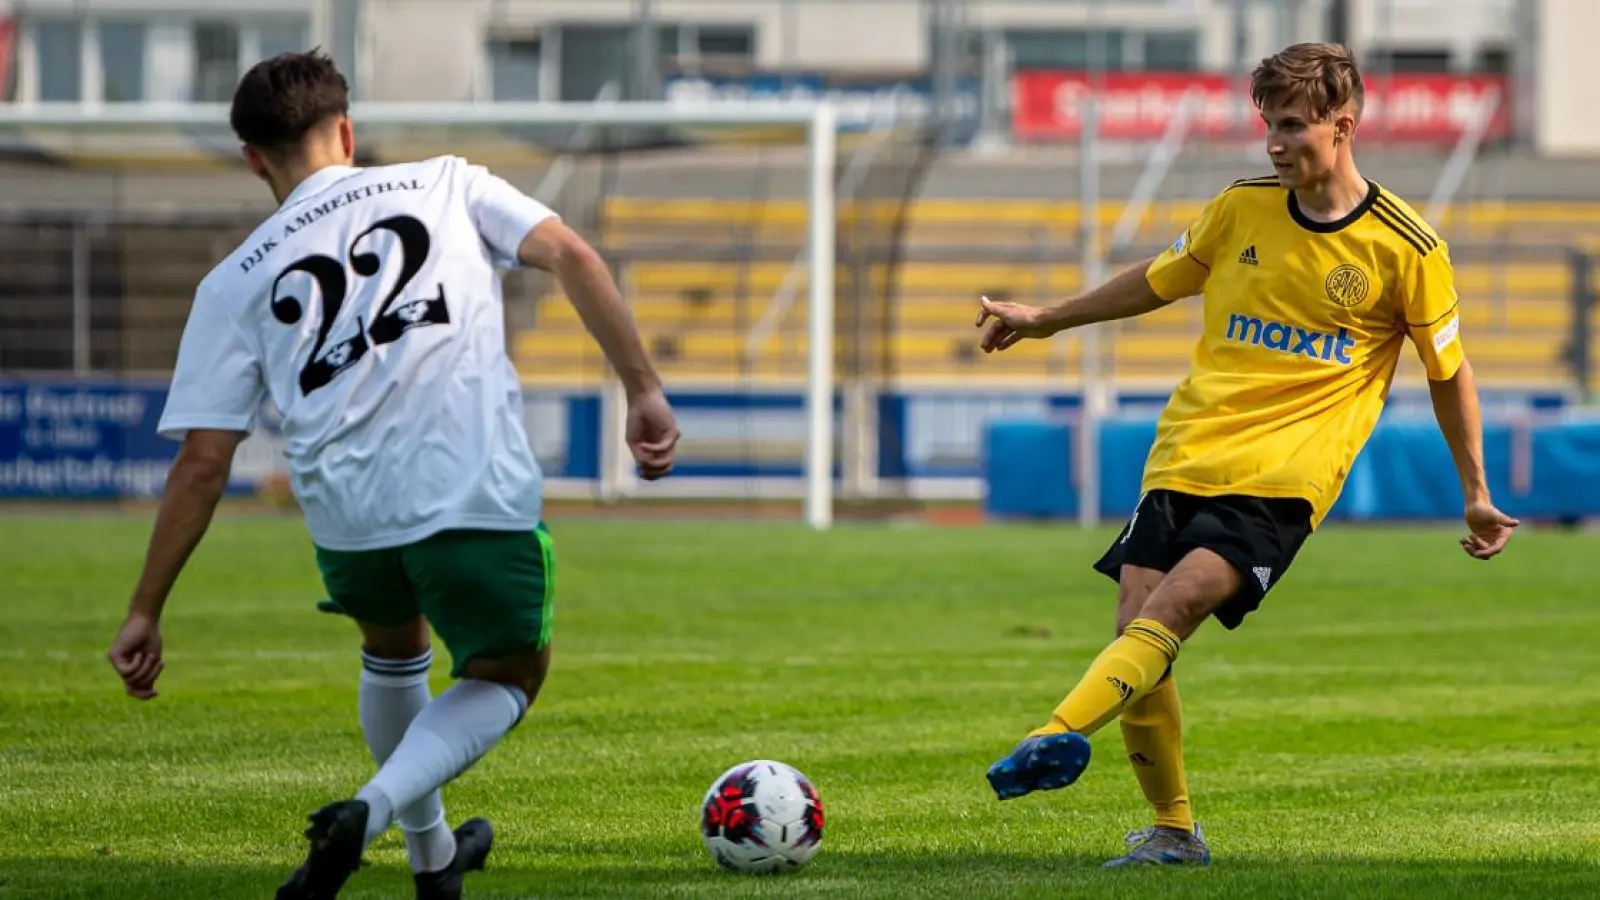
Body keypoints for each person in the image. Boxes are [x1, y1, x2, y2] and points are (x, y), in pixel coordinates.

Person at [104, 49, 680, 899]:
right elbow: (572, 254)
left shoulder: (229, 283)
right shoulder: (445, 182)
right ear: (346, 130)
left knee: (394, 648)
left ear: (253, 158)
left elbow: (201, 463)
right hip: (467, 491)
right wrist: (644, 389)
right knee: (511, 673)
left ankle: (433, 858)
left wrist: (145, 610)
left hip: (346, 524)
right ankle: (368, 814)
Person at [972, 42, 1518, 867]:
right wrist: (1047, 317)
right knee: (1136, 629)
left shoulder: (1407, 246)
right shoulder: (1239, 209)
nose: (1273, 141)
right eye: (1267, 123)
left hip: (1286, 475)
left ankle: (1053, 733)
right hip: (1188, 446)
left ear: (1345, 125)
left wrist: (1475, 489)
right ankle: (1173, 831)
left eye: (1292, 125)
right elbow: (1158, 280)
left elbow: (1450, 372)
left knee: (1175, 609)